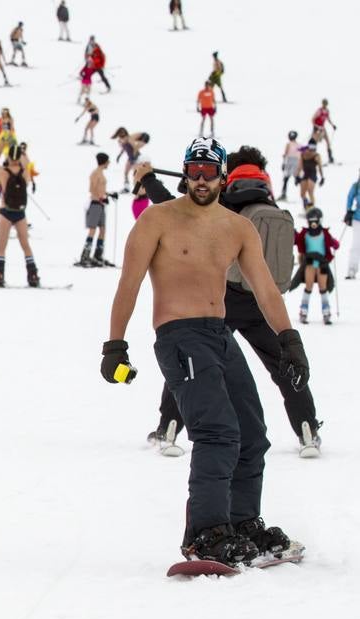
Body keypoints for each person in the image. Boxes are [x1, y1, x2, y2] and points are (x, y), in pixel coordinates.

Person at [102, 136, 309, 564]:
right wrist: (115, 344)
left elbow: (266, 290)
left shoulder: (237, 228)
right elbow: (129, 284)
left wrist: (289, 340)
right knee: (217, 432)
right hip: (180, 335)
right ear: (184, 172)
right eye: (193, 170)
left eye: (208, 171)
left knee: (252, 434)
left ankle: (240, 522)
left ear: (221, 176)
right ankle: (206, 533)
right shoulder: (158, 219)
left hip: (220, 333)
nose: (200, 179)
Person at [137, 151, 324, 458]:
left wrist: (147, 178)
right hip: (260, 299)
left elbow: (168, 205)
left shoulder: (220, 200)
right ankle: (307, 428)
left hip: (223, 299)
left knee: (193, 361)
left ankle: (168, 426)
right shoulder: (268, 199)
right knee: (283, 364)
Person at [0, 154, 39, 286]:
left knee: (2, 246)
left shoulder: (2, 172)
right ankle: (33, 275)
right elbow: (27, 183)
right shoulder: (25, 173)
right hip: (20, 212)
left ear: (9, 157)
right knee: (25, 245)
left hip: (6, 211)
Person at [296, 207, 340, 325]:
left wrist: (335, 244)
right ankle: (303, 311)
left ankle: (326, 312)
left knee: (323, 288)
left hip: (322, 264)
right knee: (308, 287)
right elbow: (297, 240)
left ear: (319, 220)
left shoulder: (324, 233)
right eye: (311, 221)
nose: (313, 224)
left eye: (315, 221)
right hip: (310, 263)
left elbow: (332, 242)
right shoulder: (305, 233)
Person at [79, 153, 114, 267]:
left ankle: (98, 255)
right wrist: (101, 198)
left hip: (100, 204)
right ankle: (85, 255)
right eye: (108, 161)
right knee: (92, 230)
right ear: (104, 161)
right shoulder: (95, 173)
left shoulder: (101, 173)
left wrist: (109, 195)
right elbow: (92, 189)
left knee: (103, 229)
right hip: (95, 204)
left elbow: (100, 189)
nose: (109, 163)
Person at [297, 140, 322, 211]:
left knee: (310, 191)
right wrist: (297, 176)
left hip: (312, 174)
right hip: (305, 174)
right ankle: (306, 207)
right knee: (302, 194)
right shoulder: (303, 154)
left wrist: (322, 177)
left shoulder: (316, 155)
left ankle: (313, 208)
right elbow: (300, 166)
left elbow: (320, 167)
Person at [310, 99, 337, 164]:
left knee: (328, 142)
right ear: (322, 104)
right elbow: (312, 120)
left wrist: (333, 125)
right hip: (317, 129)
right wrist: (317, 127)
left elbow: (328, 119)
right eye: (324, 104)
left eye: (326, 104)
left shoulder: (327, 111)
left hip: (322, 128)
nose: (325, 105)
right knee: (315, 143)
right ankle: (313, 158)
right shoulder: (319, 111)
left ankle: (330, 157)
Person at [279, 130, 302, 202]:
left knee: (286, 178)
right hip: (296, 162)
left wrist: (283, 163)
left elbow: (285, 154)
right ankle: (304, 193)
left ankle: (283, 194)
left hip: (290, 161)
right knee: (297, 177)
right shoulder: (299, 145)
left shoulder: (288, 144)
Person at [345, 170, 359, 279]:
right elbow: (350, 197)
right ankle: (352, 270)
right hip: (358, 219)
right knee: (356, 245)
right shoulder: (357, 185)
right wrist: (349, 211)